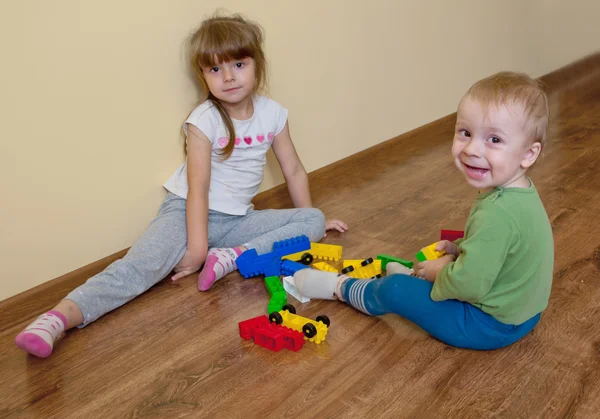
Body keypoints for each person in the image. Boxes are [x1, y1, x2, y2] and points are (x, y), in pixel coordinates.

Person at [16, 13, 347, 358]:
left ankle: (231, 258)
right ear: (202, 75)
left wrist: (311, 215)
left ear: (257, 64)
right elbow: (198, 186)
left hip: (237, 222)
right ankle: (57, 319)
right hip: (187, 213)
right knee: (141, 266)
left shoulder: (274, 114)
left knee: (313, 220)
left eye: (238, 63)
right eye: (215, 69)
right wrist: (197, 246)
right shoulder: (204, 119)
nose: (229, 77)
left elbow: (293, 169)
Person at [294, 72, 553, 350]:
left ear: (529, 154)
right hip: (525, 316)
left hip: (489, 326)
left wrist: (439, 272)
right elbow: (505, 250)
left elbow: (470, 286)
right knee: (434, 274)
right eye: (465, 133)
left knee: (395, 290)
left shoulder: (497, 214)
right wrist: (461, 249)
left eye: (494, 140)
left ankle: (342, 287)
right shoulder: (521, 192)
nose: (472, 149)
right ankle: (416, 278)